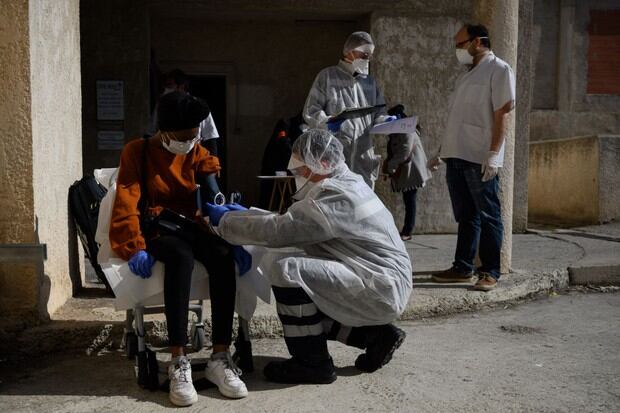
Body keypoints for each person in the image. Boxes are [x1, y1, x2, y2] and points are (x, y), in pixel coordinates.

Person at [205, 129, 412, 384]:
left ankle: (311, 362)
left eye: (300, 169)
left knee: (285, 270)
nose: (296, 175)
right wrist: (245, 214)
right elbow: (291, 222)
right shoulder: (346, 182)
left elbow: (281, 231)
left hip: (378, 285)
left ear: (322, 164)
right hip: (381, 279)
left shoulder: (333, 196)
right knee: (304, 301)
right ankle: (376, 336)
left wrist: (225, 223)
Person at [109, 91, 248, 406]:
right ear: (165, 131)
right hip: (159, 226)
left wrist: (233, 230)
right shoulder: (137, 152)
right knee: (180, 258)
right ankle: (178, 360)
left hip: (192, 224)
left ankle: (220, 357)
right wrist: (134, 245)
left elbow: (214, 199)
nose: (189, 141)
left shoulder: (198, 152)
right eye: (183, 136)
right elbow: (127, 200)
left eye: (194, 135)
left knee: (223, 256)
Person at [428, 24, 516, 291]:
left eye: (460, 43)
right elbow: (458, 119)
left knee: (489, 214)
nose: (458, 50)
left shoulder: (499, 69)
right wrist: (442, 152)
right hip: (456, 154)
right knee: (466, 215)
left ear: (477, 42)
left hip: (479, 155)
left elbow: (503, 112)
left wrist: (493, 154)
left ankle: (490, 271)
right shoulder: (467, 75)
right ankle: (462, 267)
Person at [303, 31, 395, 188]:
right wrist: (326, 122)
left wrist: (387, 121)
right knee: (335, 203)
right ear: (349, 51)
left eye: (370, 56)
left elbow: (378, 115)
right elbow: (311, 110)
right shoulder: (327, 77)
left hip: (363, 159)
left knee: (362, 207)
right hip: (335, 158)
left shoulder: (370, 83)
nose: (368, 59)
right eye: (364, 55)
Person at [383, 105, 431, 241]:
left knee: (410, 200)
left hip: (412, 171)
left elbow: (404, 152)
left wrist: (390, 167)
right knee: (408, 200)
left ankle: (407, 231)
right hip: (406, 170)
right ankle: (406, 230)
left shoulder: (407, 131)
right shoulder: (400, 130)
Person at [148, 69, 220, 155]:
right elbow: (151, 132)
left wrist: (210, 163)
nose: (166, 89)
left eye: (170, 85)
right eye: (165, 86)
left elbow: (210, 137)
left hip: (191, 158)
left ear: (181, 86)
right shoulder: (161, 106)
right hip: (165, 156)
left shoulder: (198, 106)